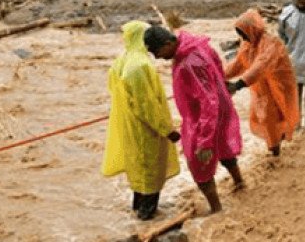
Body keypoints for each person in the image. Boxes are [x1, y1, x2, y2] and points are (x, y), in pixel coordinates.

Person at [143, 26, 244, 215]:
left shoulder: (190, 62)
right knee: (224, 147)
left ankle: (216, 210)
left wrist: (205, 141)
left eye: (156, 52)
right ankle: (240, 183)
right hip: (220, 107)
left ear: (168, 43)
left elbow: (208, 101)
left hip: (204, 116)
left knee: (197, 163)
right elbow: (217, 66)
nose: (157, 58)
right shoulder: (196, 45)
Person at [102, 21, 180, 221]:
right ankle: (146, 220)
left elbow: (116, 91)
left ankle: (137, 214)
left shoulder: (122, 60)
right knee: (150, 171)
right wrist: (166, 129)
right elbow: (146, 105)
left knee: (138, 168)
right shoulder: (139, 66)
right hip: (145, 128)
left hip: (128, 125)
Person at [225, 9, 299, 156]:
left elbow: (261, 65)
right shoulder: (247, 44)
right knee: (267, 118)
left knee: (280, 116)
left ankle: (277, 150)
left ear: (252, 29)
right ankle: (275, 150)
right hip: (262, 87)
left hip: (279, 87)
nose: (241, 36)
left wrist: (238, 84)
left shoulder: (271, 43)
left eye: (243, 32)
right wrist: (218, 75)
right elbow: (239, 64)